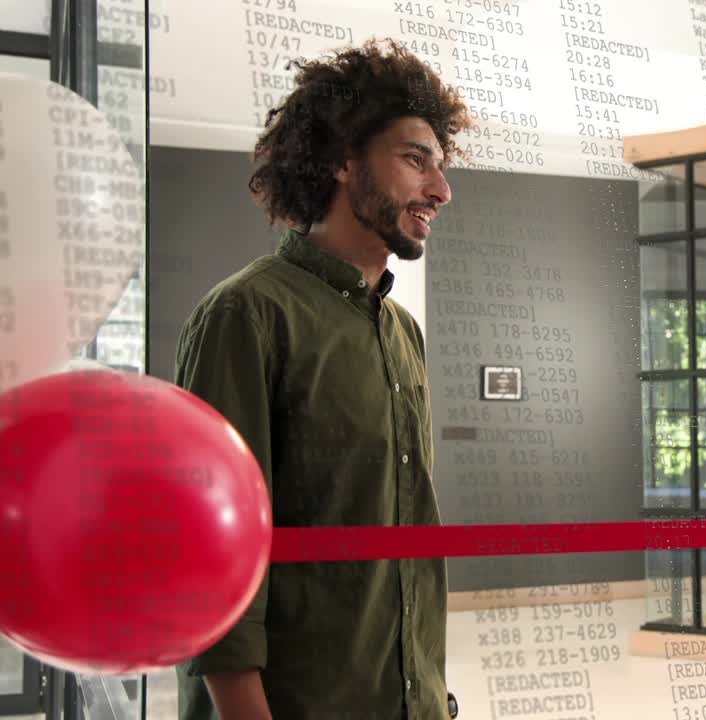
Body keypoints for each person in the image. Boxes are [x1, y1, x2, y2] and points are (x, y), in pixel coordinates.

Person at [172, 38, 471, 720]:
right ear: (342, 161)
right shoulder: (245, 314)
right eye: (415, 159)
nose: (441, 190)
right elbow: (209, 556)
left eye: (442, 167)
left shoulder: (402, 333)